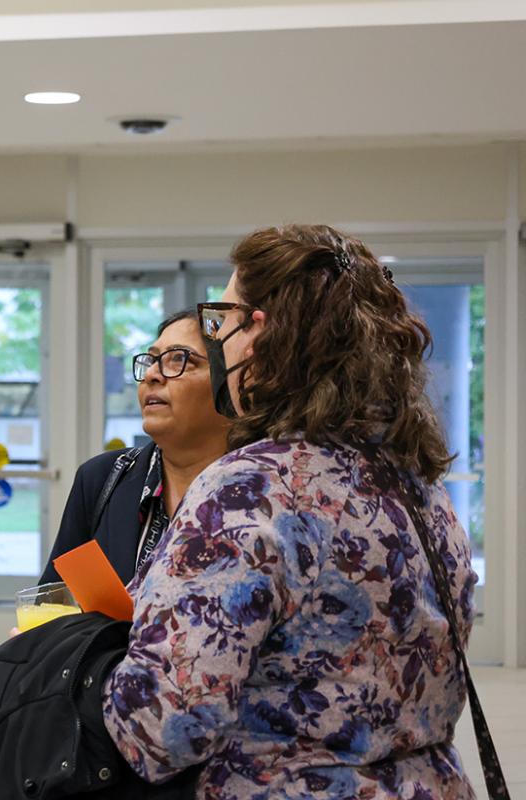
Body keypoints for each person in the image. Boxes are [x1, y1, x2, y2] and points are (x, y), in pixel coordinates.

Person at [102, 224, 478, 798]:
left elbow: (160, 731)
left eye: (218, 321)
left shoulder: (249, 489)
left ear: (258, 335)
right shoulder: (418, 488)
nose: (215, 338)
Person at [40, 309, 230, 586]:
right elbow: (54, 598)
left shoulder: (263, 488)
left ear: (233, 382)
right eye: (152, 360)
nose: (153, 374)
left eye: (179, 359)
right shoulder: (103, 478)